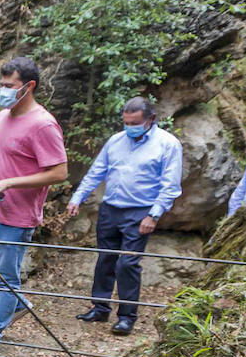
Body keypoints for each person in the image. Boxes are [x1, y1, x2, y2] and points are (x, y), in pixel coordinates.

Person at [0, 57, 67, 356]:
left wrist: (11, 183)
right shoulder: (2, 116)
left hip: (17, 217)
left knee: (7, 277)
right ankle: (17, 301)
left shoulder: (43, 124)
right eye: (1, 85)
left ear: (29, 86)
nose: (2, 91)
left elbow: (59, 172)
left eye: (9, 86)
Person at [66, 97, 183, 336]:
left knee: (128, 263)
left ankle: (127, 316)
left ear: (150, 120)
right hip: (111, 208)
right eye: (126, 122)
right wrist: (77, 197)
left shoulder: (168, 144)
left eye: (135, 122)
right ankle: (100, 307)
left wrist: (154, 215)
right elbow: (96, 171)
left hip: (141, 211)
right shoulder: (116, 141)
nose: (129, 126)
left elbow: (170, 185)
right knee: (105, 259)